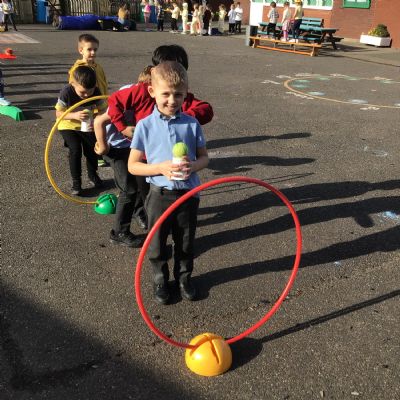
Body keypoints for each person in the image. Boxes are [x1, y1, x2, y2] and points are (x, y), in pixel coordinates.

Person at [94, 45, 213, 248]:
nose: (171, 99)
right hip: (136, 155)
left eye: (178, 70)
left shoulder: (178, 96)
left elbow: (206, 110)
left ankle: (156, 225)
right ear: (154, 72)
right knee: (135, 192)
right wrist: (121, 128)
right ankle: (128, 231)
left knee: (153, 195)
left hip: (161, 161)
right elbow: (112, 106)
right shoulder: (141, 91)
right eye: (167, 69)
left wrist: (181, 119)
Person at [128, 61, 209, 304]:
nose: (172, 100)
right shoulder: (145, 126)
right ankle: (160, 279)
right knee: (157, 243)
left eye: (178, 95)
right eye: (166, 94)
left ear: (186, 94)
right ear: (152, 91)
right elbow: (133, 165)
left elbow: (204, 158)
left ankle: (184, 278)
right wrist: (160, 168)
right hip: (159, 195)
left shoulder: (192, 124)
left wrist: (194, 166)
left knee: (185, 241)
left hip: (188, 195)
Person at [56, 66, 107, 195]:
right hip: (68, 125)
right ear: (73, 83)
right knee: (75, 149)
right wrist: (74, 115)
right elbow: (58, 113)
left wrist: (96, 120)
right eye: (83, 92)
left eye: (89, 92)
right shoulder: (66, 92)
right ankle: (76, 182)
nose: (86, 95)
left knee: (91, 150)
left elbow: (103, 110)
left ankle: (92, 175)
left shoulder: (96, 91)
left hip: (87, 125)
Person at [68, 34, 109, 167]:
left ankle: (100, 152)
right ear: (81, 50)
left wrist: (106, 99)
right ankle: (98, 156)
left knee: (101, 128)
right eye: (89, 49)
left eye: (95, 49)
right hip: (89, 105)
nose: (93, 52)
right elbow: (74, 89)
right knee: (92, 131)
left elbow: (103, 84)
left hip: (101, 102)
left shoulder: (98, 67)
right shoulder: (77, 69)